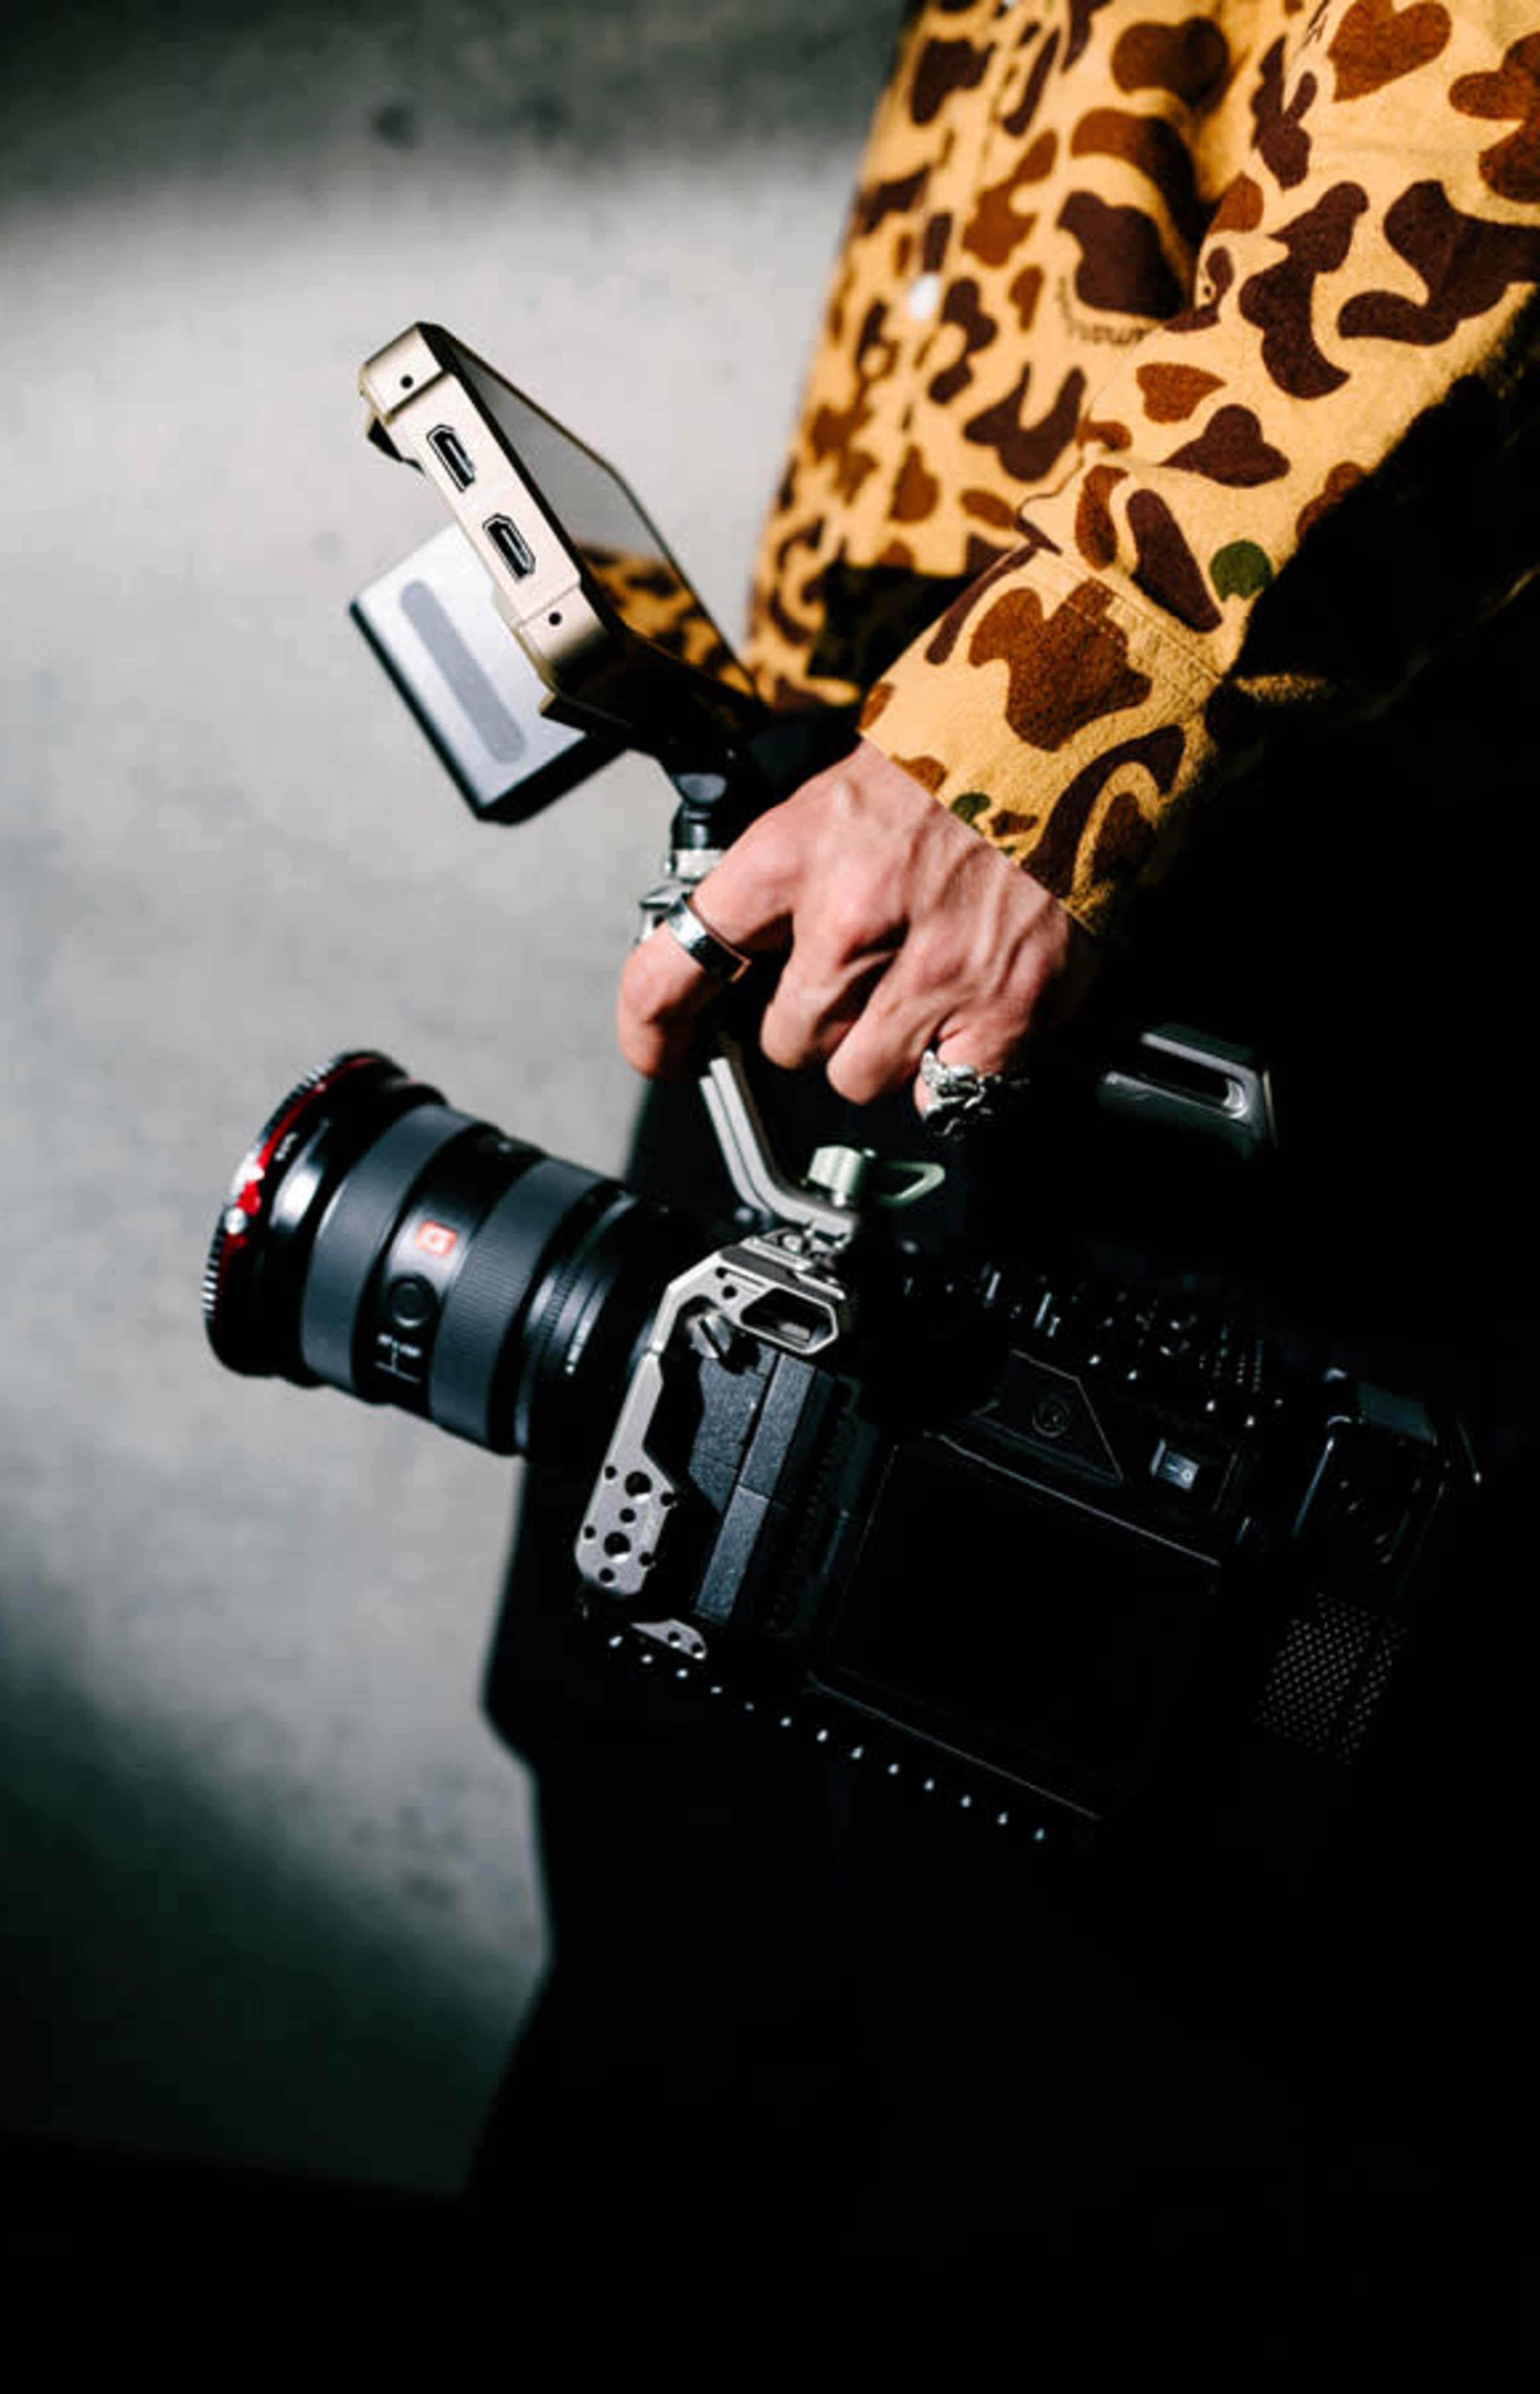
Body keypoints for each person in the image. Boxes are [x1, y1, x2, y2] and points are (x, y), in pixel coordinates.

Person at [475, 2, 1530, 2343]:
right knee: (688, 1911)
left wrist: (1051, 730)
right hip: (889, 832)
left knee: (1100, 2062)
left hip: (1226, 859)